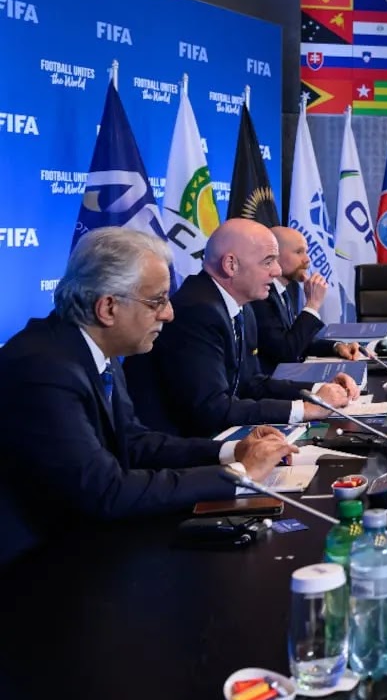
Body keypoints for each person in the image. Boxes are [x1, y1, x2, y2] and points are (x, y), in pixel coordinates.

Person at [0, 229, 297, 564]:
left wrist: (232, 452)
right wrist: (239, 474)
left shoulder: (95, 347)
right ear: (108, 307)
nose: (169, 313)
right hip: (36, 564)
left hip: (88, 539)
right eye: (157, 301)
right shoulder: (43, 368)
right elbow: (106, 490)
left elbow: (135, 442)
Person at [125, 219, 358, 436]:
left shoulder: (242, 305)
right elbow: (211, 409)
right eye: (268, 261)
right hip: (180, 446)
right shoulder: (197, 310)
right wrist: (304, 410)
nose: (277, 271)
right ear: (231, 265)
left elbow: (251, 382)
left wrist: (318, 391)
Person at [251, 226, 362, 373]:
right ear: (275, 256)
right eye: (298, 252)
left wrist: (336, 347)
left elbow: (298, 340)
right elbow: (286, 352)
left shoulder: (282, 291)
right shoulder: (261, 296)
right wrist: (312, 304)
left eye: (306, 252)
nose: (307, 259)